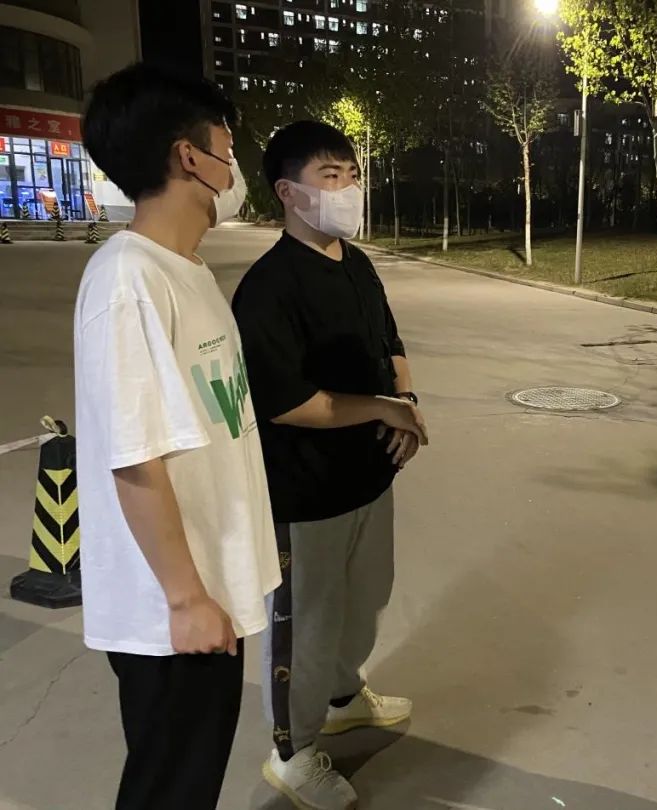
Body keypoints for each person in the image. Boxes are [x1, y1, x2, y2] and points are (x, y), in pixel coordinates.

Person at [74, 64, 280, 809]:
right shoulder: (128, 281)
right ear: (189, 157)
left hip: (206, 589)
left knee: (189, 783)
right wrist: (187, 598)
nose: (235, 166)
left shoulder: (183, 270)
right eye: (227, 147)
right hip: (171, 613)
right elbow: (135, 458)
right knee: (170, 792)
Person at [231, 120, 429, 809]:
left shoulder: (357, 262)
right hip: (306, 493)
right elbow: (287, 403)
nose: (348, 189)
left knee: (366, 601)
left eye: (352, 174)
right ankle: (292, 752)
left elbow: (391, 344)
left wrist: (404, 403)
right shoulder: (269, 287)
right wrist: (385, 410)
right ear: (288, 192)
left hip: (369, 478)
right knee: (307, 626)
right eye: (330, 176)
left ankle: (344, 697)